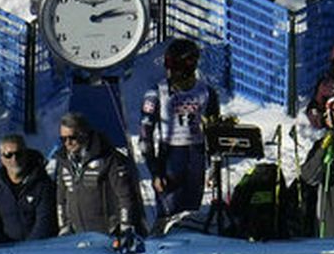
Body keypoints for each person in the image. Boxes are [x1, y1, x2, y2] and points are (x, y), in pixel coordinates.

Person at [138, 39, 219, 229]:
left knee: (192, 213)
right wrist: (155, 170)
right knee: (168, 213)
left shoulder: (206, 92)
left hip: (196, 154)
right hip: (171, 155)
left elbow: (214, 131)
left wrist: (214, 165)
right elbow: (145, 133)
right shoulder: (156, 92)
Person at [50, 113, 146, 240]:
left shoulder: (108, 157)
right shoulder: (64, 161)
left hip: (108, 234)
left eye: (72, 138)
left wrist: (125, 226)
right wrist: (64, 227)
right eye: (63, 139)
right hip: (77, 235)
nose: (67, 143)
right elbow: (61, 199)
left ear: (83, 135)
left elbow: (125, 195)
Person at [0, 133, 58, 245]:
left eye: (19, 154)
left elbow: (45, 223)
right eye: (8, 155)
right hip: (7, 253)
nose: (14, 159)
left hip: (40, 251)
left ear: (25, 154)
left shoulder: (42, 184)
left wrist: (27, 250)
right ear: (1, 158)